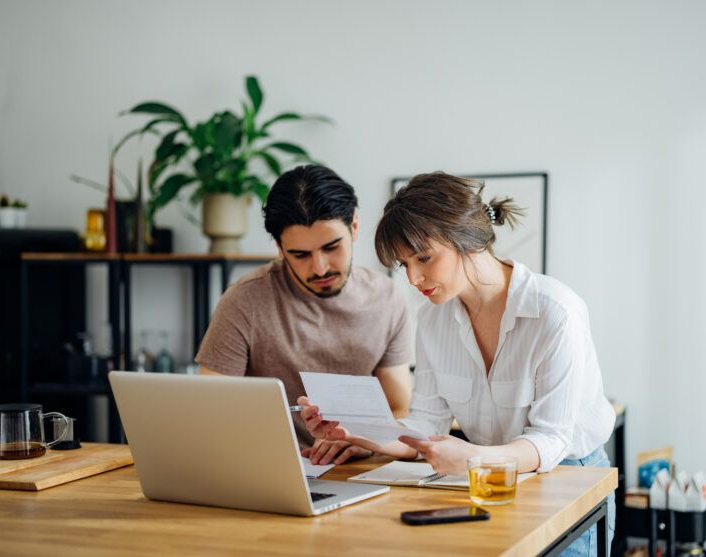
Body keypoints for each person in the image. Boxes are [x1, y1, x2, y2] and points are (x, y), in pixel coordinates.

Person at [300, 172, 615, 557]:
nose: (414, 278)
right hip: (484, 480)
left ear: (463, 237)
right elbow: (426, 424)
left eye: (424, 258)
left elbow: (551, 440)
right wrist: (355, 432)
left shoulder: (555, 311)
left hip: (570, 478)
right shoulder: (433, 320)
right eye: (404, 265)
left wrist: (475, 458)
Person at [196, 165, 413, 466]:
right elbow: (208, 411)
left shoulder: (387, 298)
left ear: (354, 226)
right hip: (269, 468)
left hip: (360, 470)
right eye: (300, 255)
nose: (320, 268)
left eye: (331, 247)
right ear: (280, 248)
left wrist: (365, 444)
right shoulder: (244, 301)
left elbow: (399, 409)